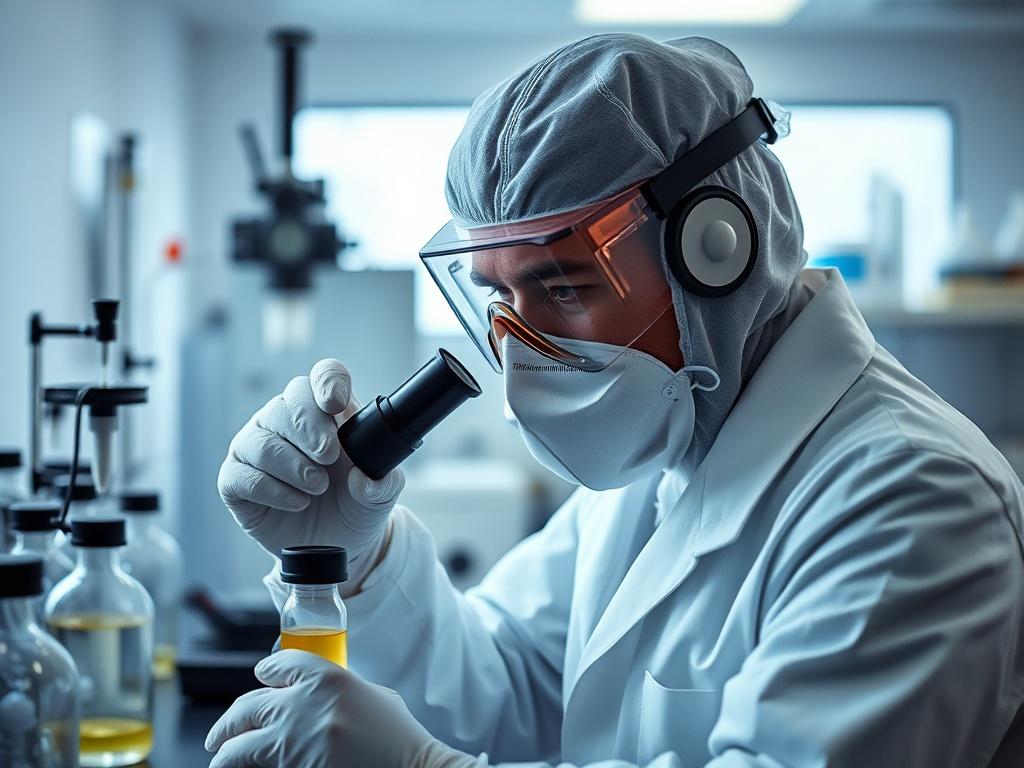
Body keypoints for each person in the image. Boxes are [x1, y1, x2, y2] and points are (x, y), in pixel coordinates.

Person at [206, 34, 1024, 768]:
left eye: (561, 286)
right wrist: (362, 562)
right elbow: (512, 684)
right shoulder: (669, 442)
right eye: (497, 298)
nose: (518, 348)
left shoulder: (912, 502)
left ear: (716, 251)